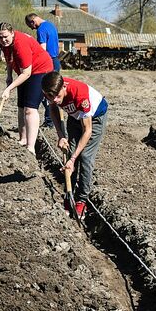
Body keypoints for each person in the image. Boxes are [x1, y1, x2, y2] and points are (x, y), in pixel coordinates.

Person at [43, 71, 109, 219]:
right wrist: (61, 136)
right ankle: (69, 195)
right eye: (50, 97)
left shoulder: (80, 95)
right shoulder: (50, 88)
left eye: (58, 96)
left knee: (84, 157)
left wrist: (73, 159)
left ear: (64, 88)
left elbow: (87, 131)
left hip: (95, 118)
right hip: (74, 116)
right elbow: (53, 109)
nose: (55, 100)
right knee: (69, 151)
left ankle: (82, 200)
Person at [0, 21, 57, 153]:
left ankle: (31, 147)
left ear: (12, 33)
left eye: (6, 36)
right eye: (0, 37)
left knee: (30, 109)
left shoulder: (20, 43)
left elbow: (27, 73)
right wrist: (9, 76)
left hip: (40, 70)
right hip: (24, 71)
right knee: (21, 107)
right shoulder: (4, 44)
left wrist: (8, 89)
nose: (3, 40)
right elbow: (9, 60)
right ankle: (22, 139)